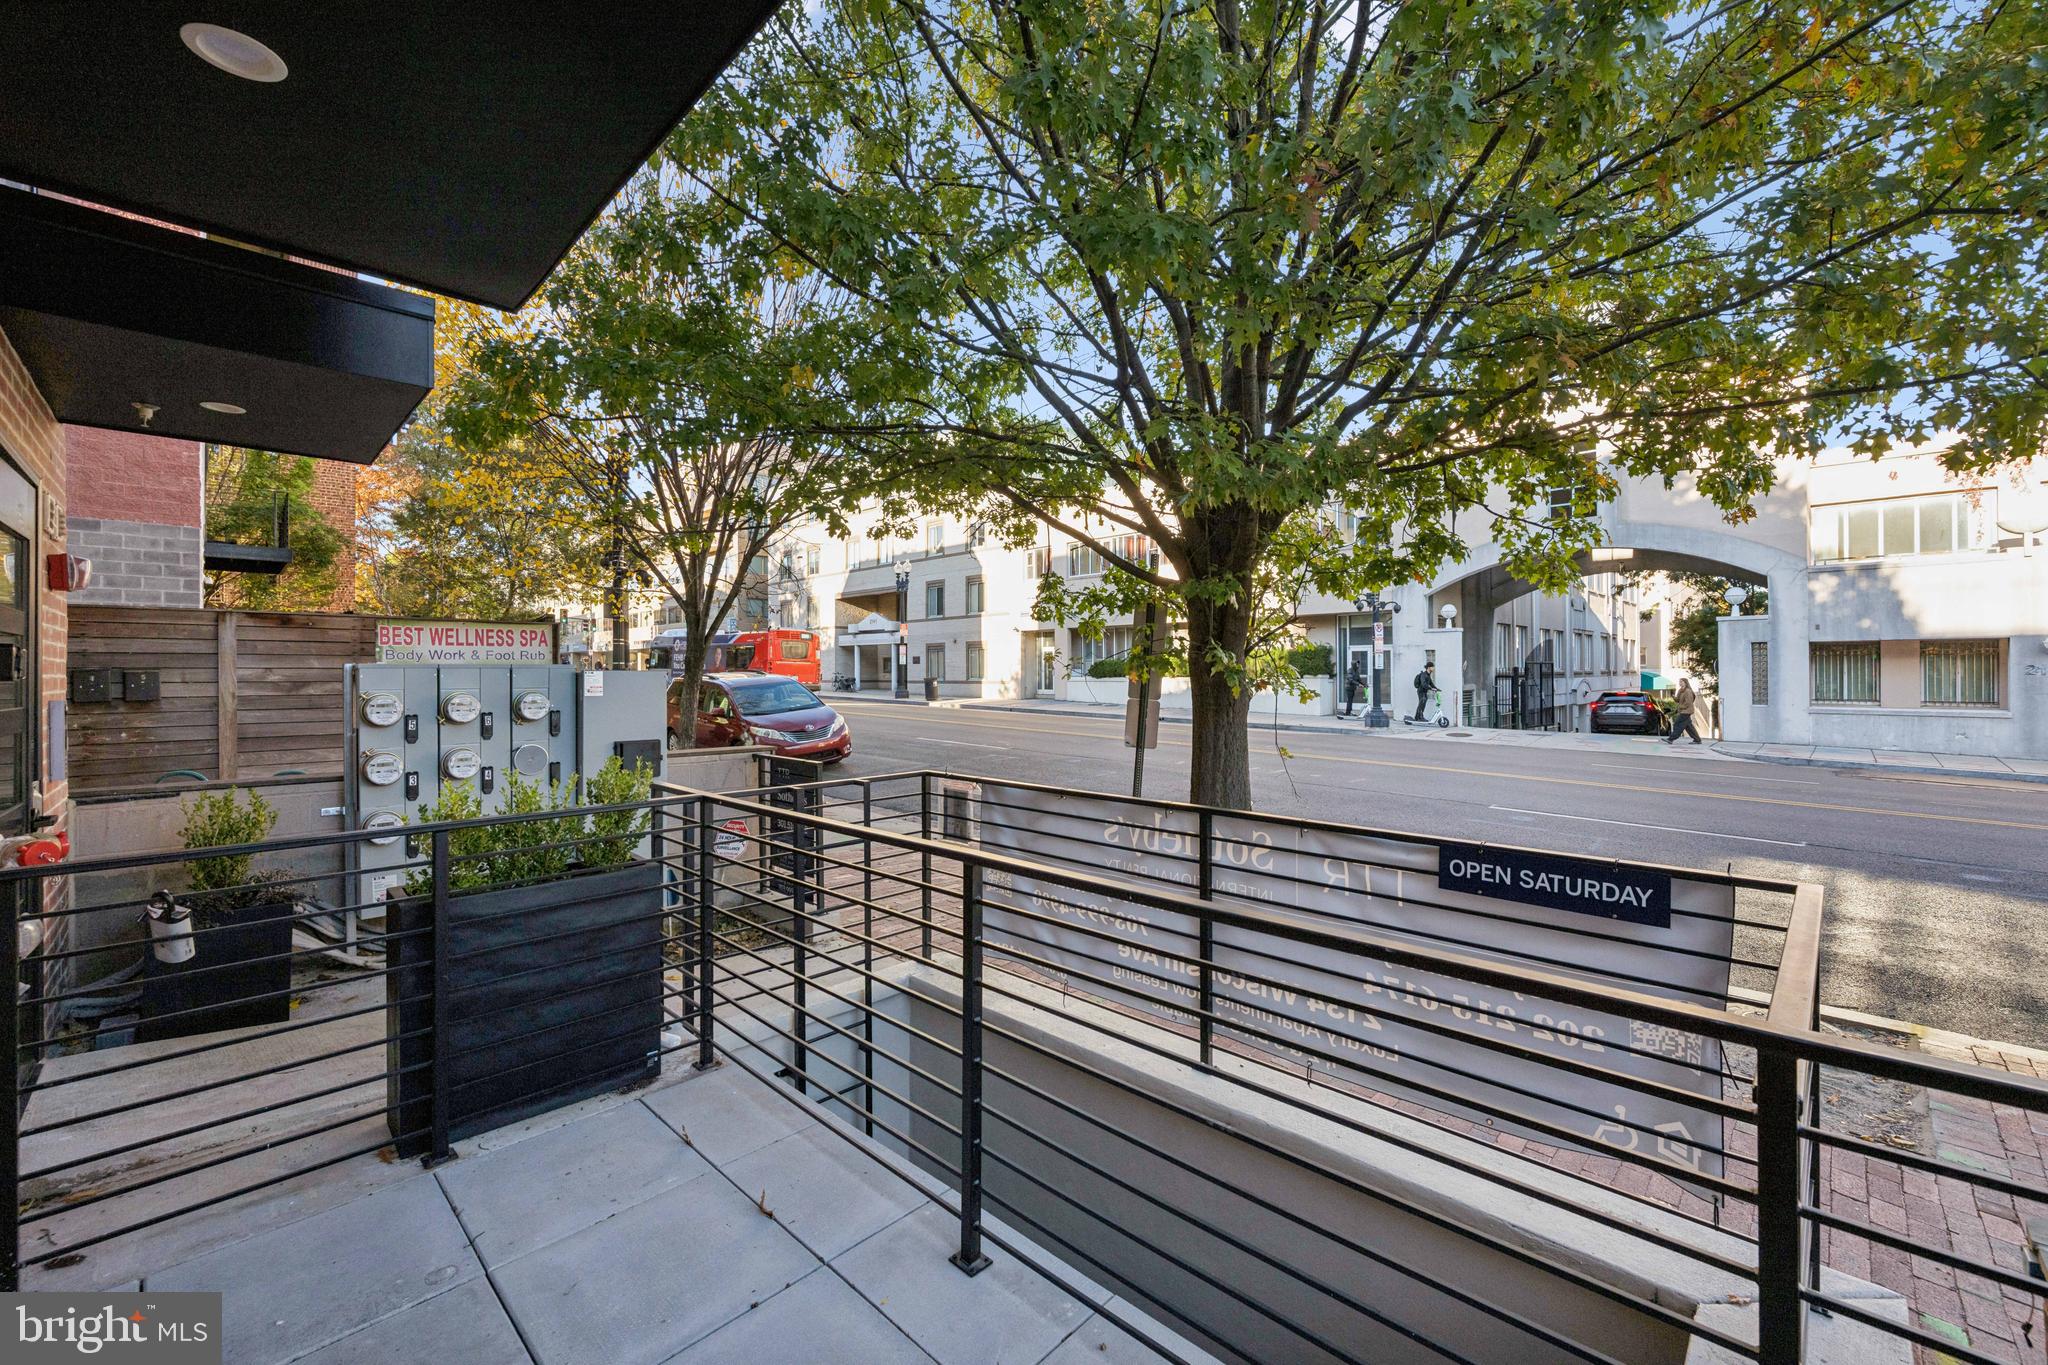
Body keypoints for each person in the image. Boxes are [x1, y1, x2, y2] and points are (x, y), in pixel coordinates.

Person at [1665, 677, 1703, 744]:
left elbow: (1688, 703)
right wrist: (1673, 695)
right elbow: (1678, 700)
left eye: (1682, 682)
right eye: (1679, 682)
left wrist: (1680, 707)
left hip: (1686, 711)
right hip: (1683, 710)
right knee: (1688, 726)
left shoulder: (1688, 691)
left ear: (1685, 683)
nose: (1680, 683)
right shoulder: (1680, 690)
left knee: (1677, 723)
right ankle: (1697, 740)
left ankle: (1671, 739)